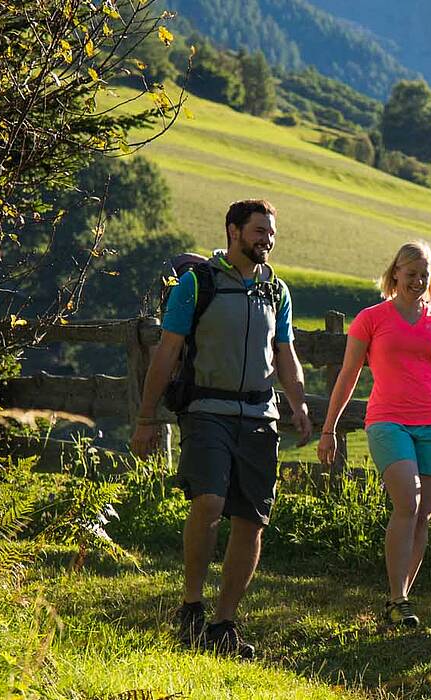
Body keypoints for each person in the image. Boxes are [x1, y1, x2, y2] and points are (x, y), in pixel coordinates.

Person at [130, 199, 313, 658]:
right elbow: (167, 352)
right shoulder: (197, 284)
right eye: (258, 231)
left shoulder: (277, 291)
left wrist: (298, 404)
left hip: (260, 417)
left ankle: (223, 622)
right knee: (209, 501)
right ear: (233, 230)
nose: (266, 240)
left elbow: (285, 354)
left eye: (271, 232)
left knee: (251, 521)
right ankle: (191, 606)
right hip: (206, 410)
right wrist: (146, 417)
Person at [318, 240, 431, 629]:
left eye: (424, 275)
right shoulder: (370, 318)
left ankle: (398, 599)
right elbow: (348, 374)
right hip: (388, 421)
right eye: (411, 274)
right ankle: (398, 597)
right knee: (408, 501)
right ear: (395, 273)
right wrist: (329, 427)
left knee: (423, 515)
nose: (417, 281)